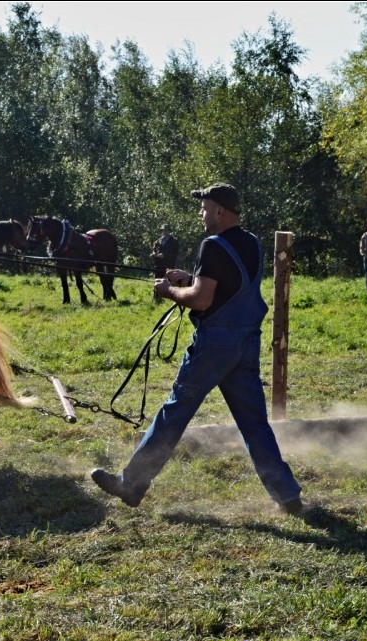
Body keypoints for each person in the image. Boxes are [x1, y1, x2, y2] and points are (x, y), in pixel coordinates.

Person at [90, 183, 303, 515]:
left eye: (204, 208)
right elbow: (227, 285)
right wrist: (190, 277)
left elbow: (203, 299)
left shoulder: (213, 246)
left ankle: (131, 484)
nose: (201, 214)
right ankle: (288, 495)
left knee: (175, 412)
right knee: (254, 423)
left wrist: (169, 291)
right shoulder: (252, 243)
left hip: (214, 344)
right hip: (246, 342)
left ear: (219, 210)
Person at [151, 224, 179, 301]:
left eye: (166, 230)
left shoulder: (174, 242)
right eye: (163, 230)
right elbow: (154, 250)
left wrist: (164, 255)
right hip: (158, 265)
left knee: (167, 283)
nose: (165, 232)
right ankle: (156, 298)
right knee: (157, 281)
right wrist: (154, 254)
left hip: (168, 266)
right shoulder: (158, 241)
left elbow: (174, 254)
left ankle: (167, 299)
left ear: (169, 231)